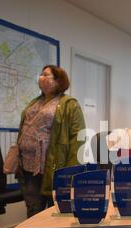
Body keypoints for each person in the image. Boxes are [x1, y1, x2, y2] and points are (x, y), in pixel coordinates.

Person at [17, 65, 86, 217]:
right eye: (41, 74)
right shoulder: (35, 102)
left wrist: (71, 172)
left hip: (53, 167)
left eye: (45, 74)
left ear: (57, 81)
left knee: (55, 211)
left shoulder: (70, 104)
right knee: (33, 210)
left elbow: (79, 137)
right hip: (29, 166)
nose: (41, 77)